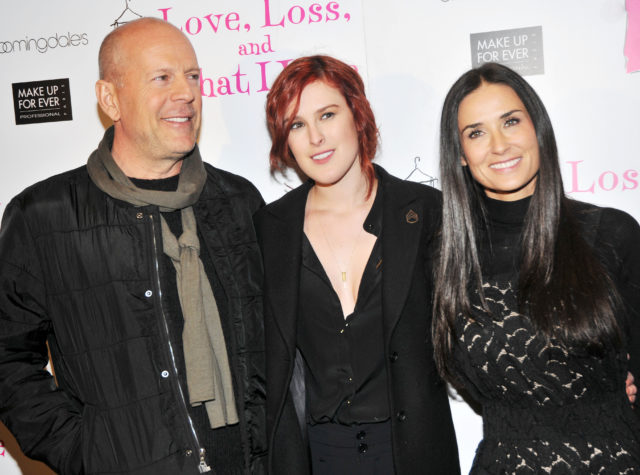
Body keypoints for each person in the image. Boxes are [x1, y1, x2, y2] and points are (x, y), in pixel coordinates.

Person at [0, 18, 266, 475]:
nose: (186, 93)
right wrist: (84, 449)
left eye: (193, 76)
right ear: (110, 99)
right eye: (162, 77)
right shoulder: (44, 216)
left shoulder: (238, 201)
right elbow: (5, 357)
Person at [254, 55, 459, 474]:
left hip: (415, 453)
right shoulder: (269, 231)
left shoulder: (424, 213)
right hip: (321, 456)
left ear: (357, 114)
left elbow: (475, 322)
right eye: (296, 124)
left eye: (327, 114)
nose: (315, 137)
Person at [433, 61, 640, 473]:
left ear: (538, 129)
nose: (499, 145)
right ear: (460, 155)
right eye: (476, 132)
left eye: (510, 122)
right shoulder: (445, 259)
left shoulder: (612, 234)